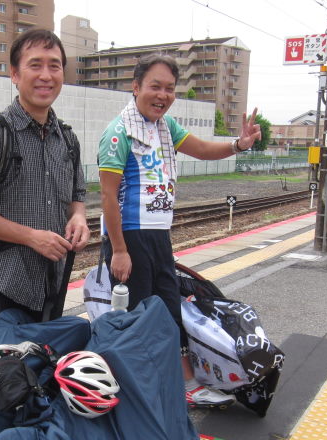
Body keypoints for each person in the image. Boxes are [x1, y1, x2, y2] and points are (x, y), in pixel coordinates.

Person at [97, 53, 261, 407]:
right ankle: (140, 389)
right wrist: (120, 250)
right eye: (155, 86)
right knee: (139, 317)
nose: (163, 95)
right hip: (130, 236)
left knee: (170, 310)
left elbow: (201, 149)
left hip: (158, 235)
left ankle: (183, 384)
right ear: (136, 86)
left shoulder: (165, 128)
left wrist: (239, 144)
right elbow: (108, 198)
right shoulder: (119, 132)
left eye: (170, 89)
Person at [0, 29, 90, 329]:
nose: (46, 75)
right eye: (35, 65)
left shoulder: (67, 139)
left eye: (54, 66)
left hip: (52, 281)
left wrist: (78, 218)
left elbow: (77, 197)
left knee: (39, 364)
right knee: (3, 368)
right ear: (15, 75)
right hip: (3, 279)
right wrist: (31, 237)